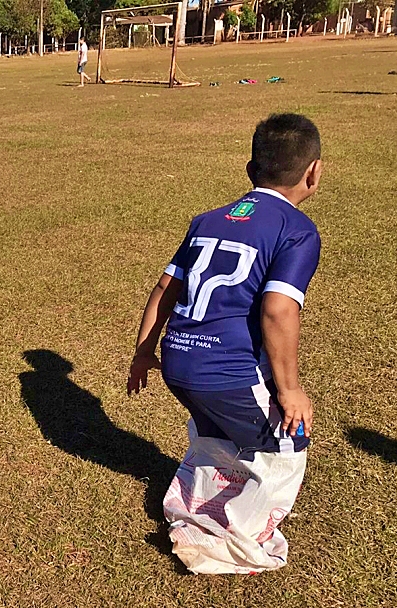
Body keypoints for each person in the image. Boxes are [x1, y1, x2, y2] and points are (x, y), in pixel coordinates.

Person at [127, 113, 324, 574]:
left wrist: (142, 351)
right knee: (287, 444)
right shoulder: (297, 230)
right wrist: (291, 388)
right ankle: (231, 539)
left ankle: (202, 501)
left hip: (177, 361)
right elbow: (278, 309)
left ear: (250, 170)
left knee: (216, 434)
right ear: (314, 172)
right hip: (226, 371)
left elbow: (163, 290)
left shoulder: (207, 220)